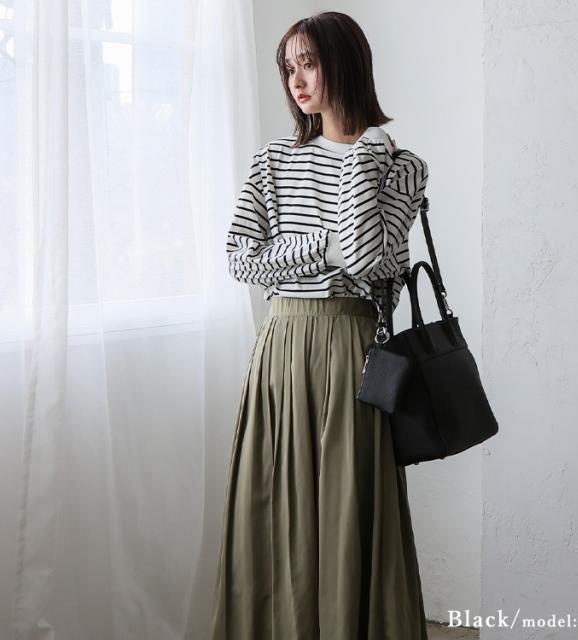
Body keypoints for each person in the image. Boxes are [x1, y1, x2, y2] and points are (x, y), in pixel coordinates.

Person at [210, 10, 429, 640]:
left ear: (345, 64)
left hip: (354, 349)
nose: (297, 81)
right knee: (274, 501)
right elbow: (240, 259)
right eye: (289, 68)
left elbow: (365, 259)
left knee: (347, 506)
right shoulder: (273, 160)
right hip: (282, 349)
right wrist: (321, 247)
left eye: (309, 63)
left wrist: (364, 153)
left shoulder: (400, 165)